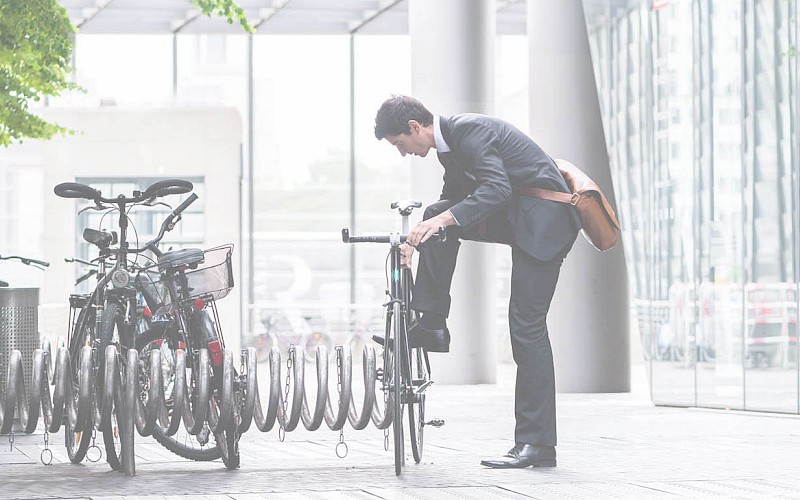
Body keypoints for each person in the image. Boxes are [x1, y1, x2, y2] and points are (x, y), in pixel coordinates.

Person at [373, 95, 580, 469]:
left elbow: (496, 189)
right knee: (437, 215)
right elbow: (451, 202)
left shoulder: (469, 131)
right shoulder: (448, 147)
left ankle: (537, 445)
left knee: (527, 328)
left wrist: (438, 223)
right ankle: (432, 324)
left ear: (415, 128)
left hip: (546, 223)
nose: (403, 153)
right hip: (522, 218)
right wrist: (417, 240)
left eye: (400, 145)